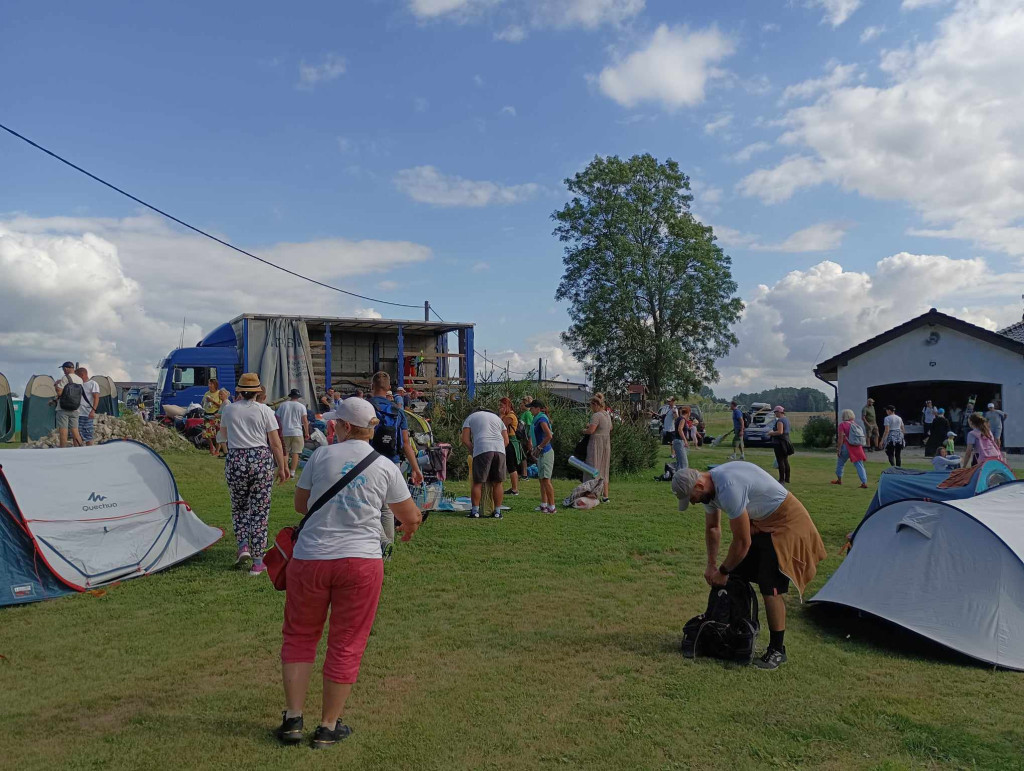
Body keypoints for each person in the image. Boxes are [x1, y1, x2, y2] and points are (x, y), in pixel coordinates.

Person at [279, 397, 422, 749]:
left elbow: (300, 505)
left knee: (299, 636)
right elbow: (410, 515)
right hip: (360, 561)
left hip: (311, 557)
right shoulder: (384, 465)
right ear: (370, 429)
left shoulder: (321, 456)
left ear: (342, 426)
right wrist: (408, 526)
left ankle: (293, 719)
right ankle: (328, 726)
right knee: (346, 641)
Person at [672, 463, 827, 670]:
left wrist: (723, 571)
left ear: (699, 486)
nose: (692, 503)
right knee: (735, 575)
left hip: (787, 523)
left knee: (770, 585)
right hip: (762, 524)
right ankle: (735, 633)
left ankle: (777, 650)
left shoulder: (728, 487)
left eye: (692, 498)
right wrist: (711, 566)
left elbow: (742, 542)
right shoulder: (708, 490)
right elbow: (713, 528)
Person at [220, 373, 289, 575]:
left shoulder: (229, 409)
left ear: (240, 391)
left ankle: (243, 545)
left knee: (239, 506)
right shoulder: (265, 411)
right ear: (257, 392)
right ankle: (258, 562)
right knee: (260, 510)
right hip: (260, 459)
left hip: (236, 459)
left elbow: (223, 435)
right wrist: (282, 467)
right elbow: (275, 443)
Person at [367, 372, 423, 552]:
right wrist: (415, 468)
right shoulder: (398, 412)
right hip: (392, 461)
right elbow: (406, 443)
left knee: (368, 505)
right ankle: (388, 548)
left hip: (369, 460)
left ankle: (377, 543)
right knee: (387, 508)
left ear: (372, 386)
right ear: (388, 388)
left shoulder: (366, 407)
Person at [461, 407, 509, 519]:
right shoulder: (497, 418)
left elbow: (465, 439)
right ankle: (497, 512)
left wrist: (473, 451)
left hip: (482, 448)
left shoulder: (470, 417)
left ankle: (475, 511)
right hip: (499, 449)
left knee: (478, 482)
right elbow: (506, 441)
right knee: (498, 482)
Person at [583, 393, 613, 501]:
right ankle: (605, 496)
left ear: (595, 404)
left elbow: (591, 430)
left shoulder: (596, 415)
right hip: (606, 443)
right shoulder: (607, 415)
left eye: (591, 405)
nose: (591, 408)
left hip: (596, 444)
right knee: (604, 469)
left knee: (593, 467)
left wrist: (583, 430)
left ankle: (592, 493)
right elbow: (610, 428)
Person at [277, 389, 311, 480]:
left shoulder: (283, 405)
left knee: (285, 452)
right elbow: (305, 420)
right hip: (297, 432)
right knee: (296, 452)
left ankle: (285, 470)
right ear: (298, 397)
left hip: (285, 431)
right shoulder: (301, 406)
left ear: (290, 396)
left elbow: (277, 418)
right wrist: (307, 432)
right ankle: (292, 472)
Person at [530, 400, 555, 513]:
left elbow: (549, 435)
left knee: (546, 480)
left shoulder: (541, 420)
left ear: (538, 409)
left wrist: (539, 447)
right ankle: (544, 505)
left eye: (532, 408)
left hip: (545, 452)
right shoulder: (537, 419)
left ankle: (552, 507)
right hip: (541, 453)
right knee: (542, 480)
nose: (530, 410)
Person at [832, 409, 868, 488]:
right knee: (859, 465)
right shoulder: (855, 424)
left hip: (846, 446)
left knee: (840, 463)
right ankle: (864, 482)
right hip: (857, 447)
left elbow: (840, 439)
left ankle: (839, 480)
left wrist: (839, 449)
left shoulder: (842, 425)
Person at [54, 361, 84, 448]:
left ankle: (63, 449)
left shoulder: (65, 378)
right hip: (75, 408)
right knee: (75, 430)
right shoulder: (80, 380)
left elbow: (59, 392)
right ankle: (79, 448)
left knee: (63, 430)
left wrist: (56, 385)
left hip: (63, 408)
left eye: (63, 369)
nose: (63, 371)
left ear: (66, 368)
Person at [499, 397, 522, 497]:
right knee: (510, 465)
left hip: (511, 442)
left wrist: (501, 415)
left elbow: (500, 425)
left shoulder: (510, 416)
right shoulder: (508, 415)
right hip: (509, 440)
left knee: (511, 465)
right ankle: (514, 488)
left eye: (501, 405)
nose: (500, 408)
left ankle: (514, 489)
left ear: (507, 405)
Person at [202, 378, 230, 457]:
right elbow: (203, 403)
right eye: (209, 384)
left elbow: (222, 406)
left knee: (218, 434)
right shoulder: (207, 393)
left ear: (215, 385)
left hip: (216, 414)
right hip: (208, 414)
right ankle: (212, 447)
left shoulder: (219, 393)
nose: (209, 385)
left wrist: (212, 401)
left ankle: (218, 451)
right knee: (206, 433)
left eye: (211, 384)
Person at [75, 367, 100, 447]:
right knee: (76, 434)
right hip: (76, 413)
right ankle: (76, 450)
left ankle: (89, 450)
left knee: (88, 434)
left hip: (87, 413)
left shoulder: (93, 384)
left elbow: (96, 398)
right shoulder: (77, 384)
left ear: (82, 375)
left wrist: (93, 410)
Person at [767, 406, 792, 484]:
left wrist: (771, 433)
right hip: (786, 441)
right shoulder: (786, 420)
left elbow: (780, 432)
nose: (775, 414)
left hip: (780, 443)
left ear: (779, 412)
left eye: (775, 412)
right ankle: (787, 478)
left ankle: (781, 480)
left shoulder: (780, 421)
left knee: (780, 461)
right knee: (785, 460)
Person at [518, 396, 535, 474]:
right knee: (523, 456)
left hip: (526, 438)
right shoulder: (524, 413)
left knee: (527, 456)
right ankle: (524, 474)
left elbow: (531, 427)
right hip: (523, 438)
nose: (521, 404)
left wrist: (530, 440)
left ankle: (525, 474)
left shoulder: (528, 414)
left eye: (523, 403)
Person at [672, 407, 690, 473]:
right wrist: (685, 440)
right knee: (684, 463)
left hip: (676, 441)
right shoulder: (682, 419)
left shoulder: (678, 418)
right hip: (680, 441)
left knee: (679, 463)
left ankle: (677, 477)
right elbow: (680, 429)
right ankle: (683, 477)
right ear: (688, 413)